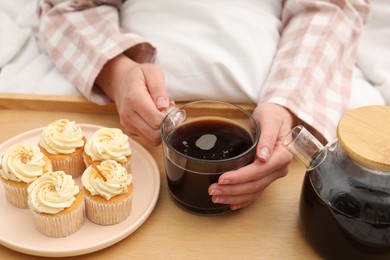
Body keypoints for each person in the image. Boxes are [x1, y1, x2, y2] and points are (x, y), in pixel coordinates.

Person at [36, 0, 371, 210]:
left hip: (270, 103)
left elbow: (335, 7)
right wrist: (116, 74)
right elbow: (66, 5)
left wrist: (288, 104)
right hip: (138, 127)